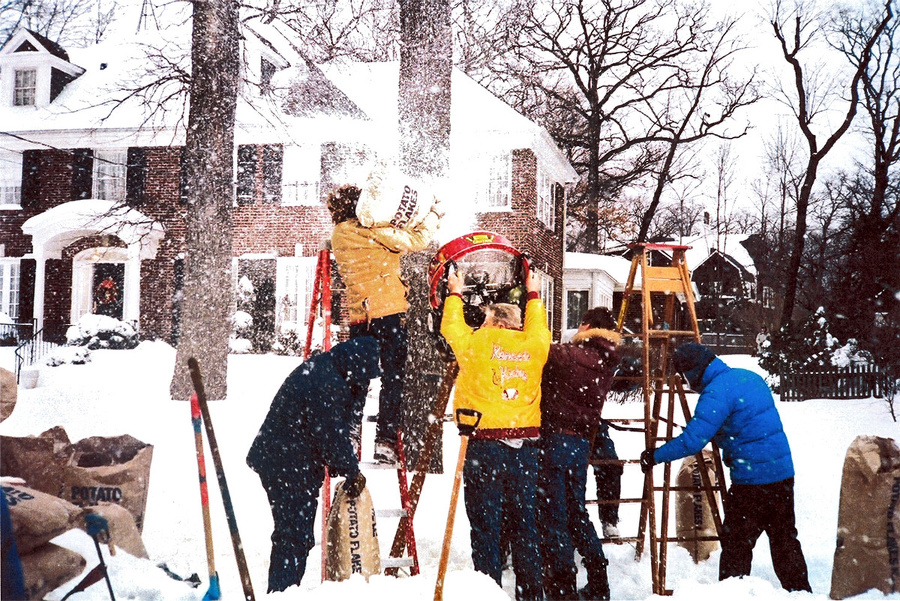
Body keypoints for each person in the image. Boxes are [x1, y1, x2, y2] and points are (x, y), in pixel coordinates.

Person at [640, 342, 811, 593]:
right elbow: (749, 423)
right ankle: (802, 594)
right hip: (782, 473)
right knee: (785, 540)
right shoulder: (749, 378)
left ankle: (732, 594)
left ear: (694, 372)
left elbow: (692, 441)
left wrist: (655, 455)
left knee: (736, 547)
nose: (687, 384)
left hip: (752, 481)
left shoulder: (716, 393)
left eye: (686, 377)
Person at [441, 267, 550, 601]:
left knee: (486, 525)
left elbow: (451, 327)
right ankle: (530, 593)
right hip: (526, 445)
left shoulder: (477, 343)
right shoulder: (534, 345)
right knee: (525, 525)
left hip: (484, 443)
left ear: (494, 322)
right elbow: (538, 327)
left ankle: (488, 591)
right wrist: (532, 293)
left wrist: (455, 292)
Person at [246, 337, 379, 593]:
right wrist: (351, 471)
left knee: (295, 535)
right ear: (357, 366)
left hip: (291, 461)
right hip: (285, 463)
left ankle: (284, 590)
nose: (366, 384)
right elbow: (330, 431)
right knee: (293, 536)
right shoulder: (324, 381)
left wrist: (358, 392)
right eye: (366, 377)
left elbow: (343, 420)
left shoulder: (331, 369)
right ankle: (282, 593)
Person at [328, 184, 441, 463]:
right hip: (388, 314)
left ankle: (351, 434)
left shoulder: (338, 235)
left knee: (358, 379)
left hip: (358, 318)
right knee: (394, 377)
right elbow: (416, 241)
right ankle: (386, 440)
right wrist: (434, 214)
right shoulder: (375, 230)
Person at [539, 307, 621, 601]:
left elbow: (537, 349)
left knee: (553, 514)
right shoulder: (606, 359)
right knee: (576, 512)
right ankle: (599, 581)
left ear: (588, 326)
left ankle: (562, 587)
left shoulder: (572, 356)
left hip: (556, 439)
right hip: (581, 444)